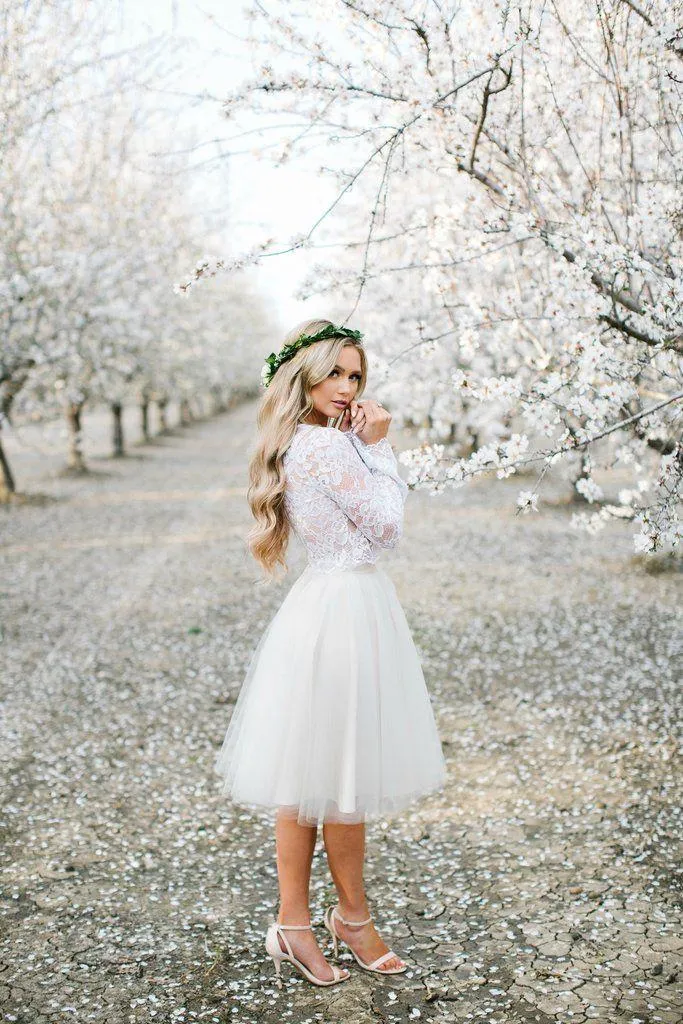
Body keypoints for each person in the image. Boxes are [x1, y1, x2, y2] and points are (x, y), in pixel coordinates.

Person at [213, 318, 447, 988]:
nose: (346, 387)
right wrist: (381, 450)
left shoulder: (305, 441)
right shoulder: (328, 448)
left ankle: (315, 920)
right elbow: (385, 527)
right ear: (304, 376)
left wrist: (363, 451)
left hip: (331, 606)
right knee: (332, 781)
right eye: (334, 373)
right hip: (344, 611)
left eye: (355, 375)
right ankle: (336, 917)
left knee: (315, 778)